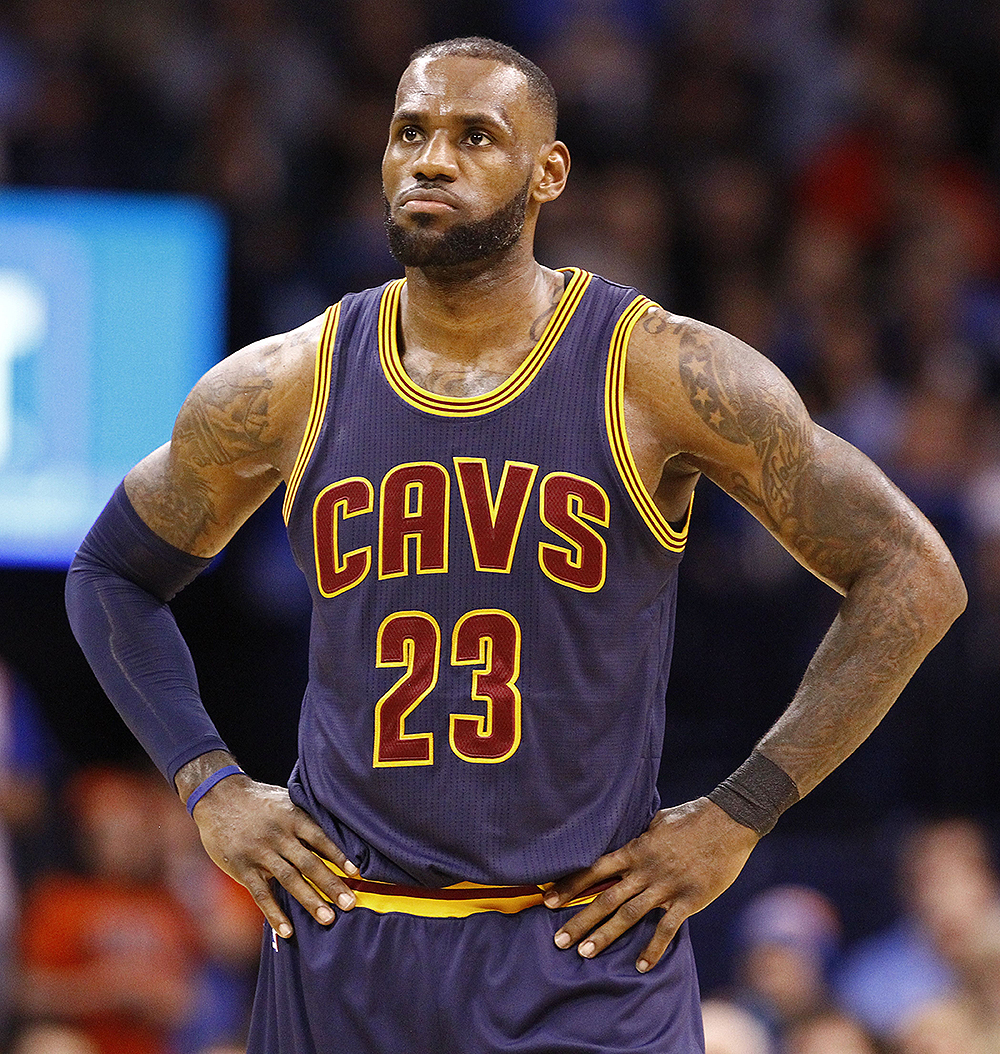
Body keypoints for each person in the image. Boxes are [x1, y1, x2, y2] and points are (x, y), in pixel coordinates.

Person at [64, 36, 966, 1054]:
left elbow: (911, 572)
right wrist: (210, 786)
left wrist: (739, 812)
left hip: (578, 946)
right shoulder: (284, 383)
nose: (431, 160)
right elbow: (109, 575)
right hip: (343, 942)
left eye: (473, 136)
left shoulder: (657, 370)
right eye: (410, 132)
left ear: (549, 172)